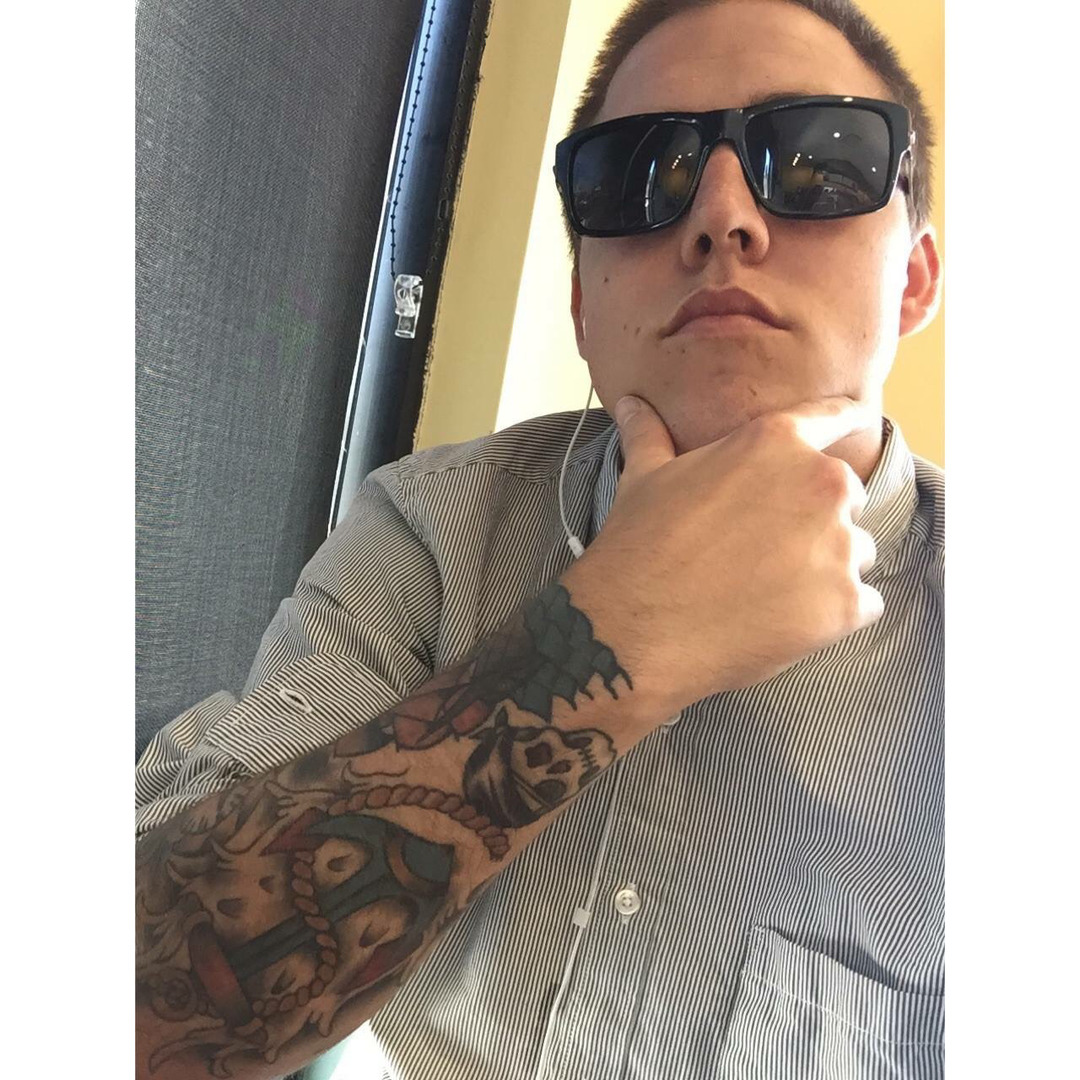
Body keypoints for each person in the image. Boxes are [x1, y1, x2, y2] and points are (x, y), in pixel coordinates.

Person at [135, 0, 944, 1076]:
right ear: (581, 307)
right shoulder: (430, 531)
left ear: (916, 279)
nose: (722, 216)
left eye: (817, 162)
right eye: (640, 173)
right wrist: (620, 634)